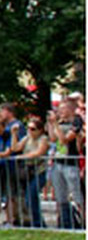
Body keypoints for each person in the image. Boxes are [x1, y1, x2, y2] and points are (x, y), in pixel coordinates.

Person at [48, 98, 85, 229]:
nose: (60, 111)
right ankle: (64, 222)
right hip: (58, 161)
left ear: (70, 109)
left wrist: (56, 126)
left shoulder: (76, 122)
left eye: (63, 109)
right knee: (60, 196)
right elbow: (53, 138)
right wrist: (51, 124)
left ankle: (84, 222)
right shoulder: (59, 122)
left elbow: (64, 140)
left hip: (70, 163)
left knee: (76, 196)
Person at [14, 115, 50, 228]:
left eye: (33, 129)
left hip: (40, 171)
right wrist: (13, 134)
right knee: (29, 198)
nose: (30, 131)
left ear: (40, 130)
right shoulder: (27, 138)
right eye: (28, 128)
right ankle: (37, 222)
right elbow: (15, 148)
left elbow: (39, 152)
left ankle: (38, 223)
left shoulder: (43, 138)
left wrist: (23, 156)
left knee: (31, 196)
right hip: (28, 172)